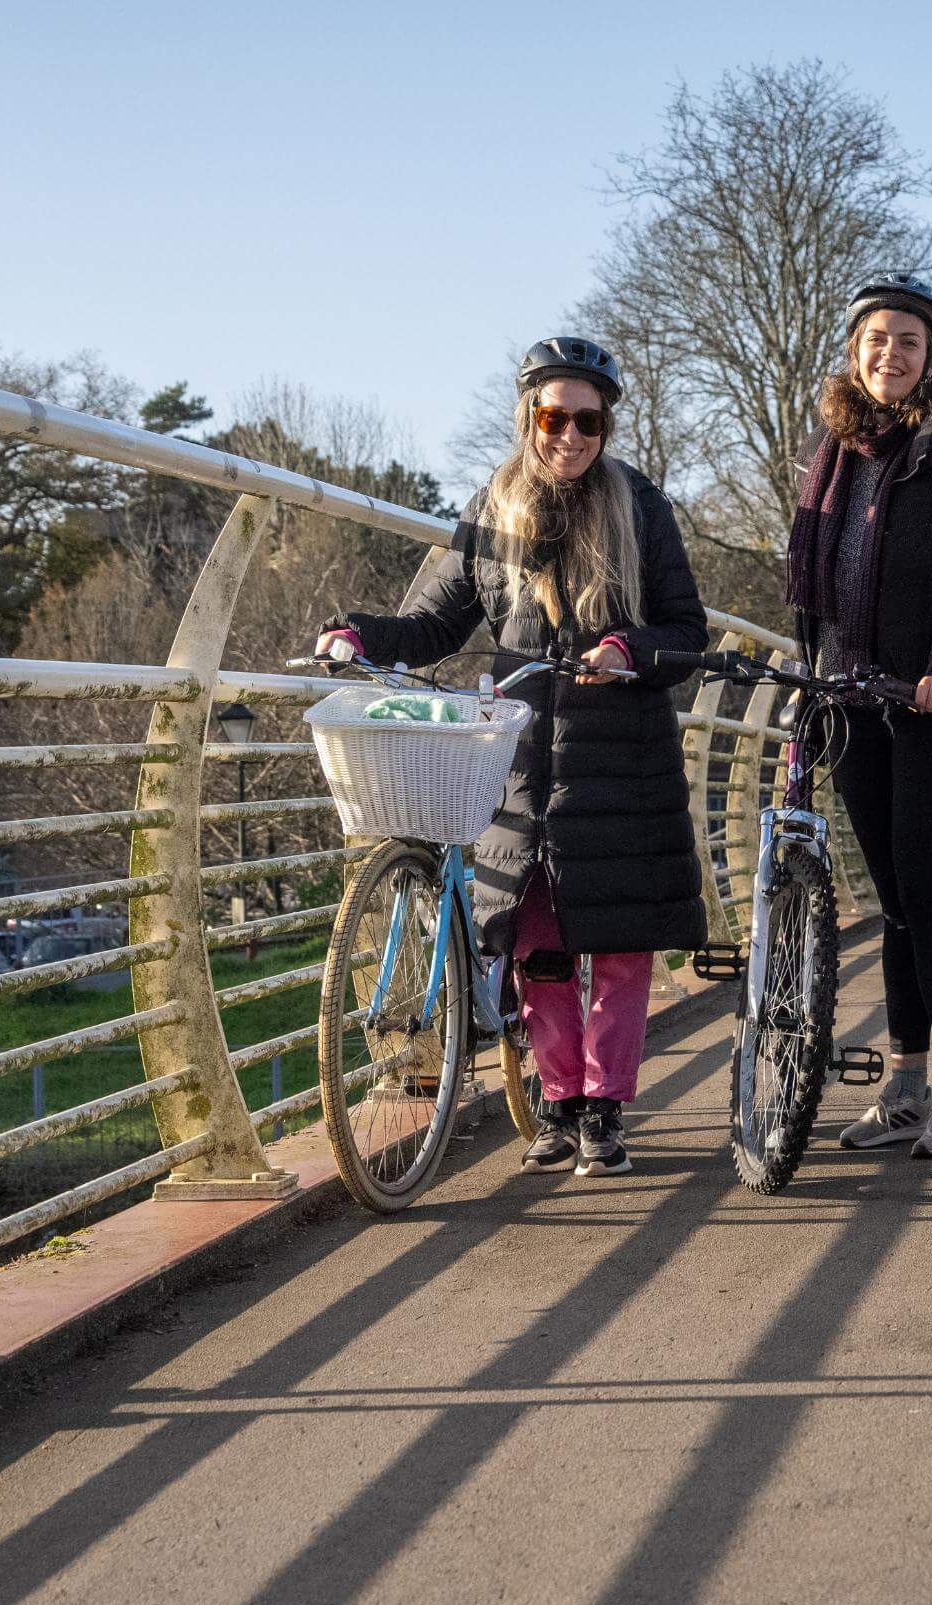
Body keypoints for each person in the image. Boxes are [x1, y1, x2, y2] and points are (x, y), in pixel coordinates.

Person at [317, 336, 709, 1178]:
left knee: (624, 944)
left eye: (589, 420)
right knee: (538, 942)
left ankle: (606, 1106)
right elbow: (431, 625)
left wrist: (629, 651)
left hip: (622, 762)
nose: (570, 434)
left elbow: (687, 631)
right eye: (553, 416)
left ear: (608, 425)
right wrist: (360, 632)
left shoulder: (642, 509)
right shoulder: (492, 509)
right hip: (520, 760)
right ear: (528, 415)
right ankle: (561, 1103)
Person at [789, 272, 932, 1160]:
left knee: (927, 893)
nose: (892, 352)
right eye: (878, 337)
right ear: (856, 349)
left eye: (910, 340)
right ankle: (905, 1087)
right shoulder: (833, 452)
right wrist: (812, 675)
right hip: (851, 702)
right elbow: (819, 585)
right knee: (893, 902)